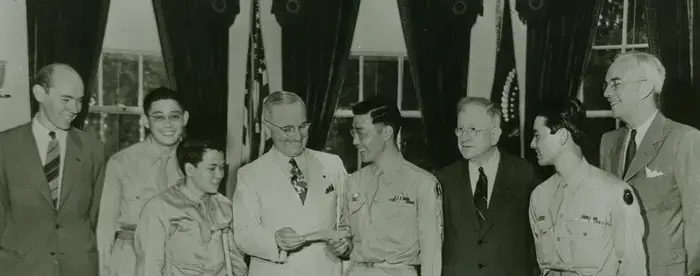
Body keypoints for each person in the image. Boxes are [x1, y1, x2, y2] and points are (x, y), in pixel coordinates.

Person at [599, 51, 700, 276]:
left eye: (615, 84)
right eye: (606, 85)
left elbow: (698, 224)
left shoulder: (684, 140)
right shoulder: (608, 143)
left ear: (645, 88)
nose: (606, 93)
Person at [0, 63, 106, 276]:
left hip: (78, 267)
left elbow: (95, 213)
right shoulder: (5, 146)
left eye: (79, 101)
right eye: (66, 100)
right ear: (40, 93)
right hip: (20, 267)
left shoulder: (92, 149)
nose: (75, 109)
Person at [232, 91, 349, 276]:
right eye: (287, 128)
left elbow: (347, 220)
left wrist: (345, 244)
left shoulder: (333, 164)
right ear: (267, 127)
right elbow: (243, 233)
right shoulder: (249, 175)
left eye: (303, 126)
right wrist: (274, 240)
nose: (297, 135)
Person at [529, 98, 647, 276]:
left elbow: (633, 267)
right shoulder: (539, 195)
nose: (532, 144)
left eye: (537, 136)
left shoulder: (614, 192)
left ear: (562, 136)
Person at [334, 95, 442, 276]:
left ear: (387, 133)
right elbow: (347, 239)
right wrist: (340, 245)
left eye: (361, 133)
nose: (355, 141)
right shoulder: (353, 182)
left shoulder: (423, 184)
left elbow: (431, 257)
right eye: (353, 134)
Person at [436, 97, 540, 276]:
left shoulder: (524, 174)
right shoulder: (444, 178)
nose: (464, 137)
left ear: (494, 135)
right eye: (460, 129)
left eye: (473, 130)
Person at [97, 87, 188, 276]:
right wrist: (103, 269)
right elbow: (106, 226)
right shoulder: (121, 162)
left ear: (185, 118)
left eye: (174, 116)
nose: (168, 124)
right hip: (130, 258)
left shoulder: (196, 164)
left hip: (180, 260)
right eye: (158, 117)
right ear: (146, 121)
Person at [134, 138, 248, 276]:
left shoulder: (223, 206)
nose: (220, 175)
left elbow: (236, 263)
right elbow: (150, 267)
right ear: (190, 169)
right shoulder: (160, 207)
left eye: (222, 167)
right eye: (212, 168)